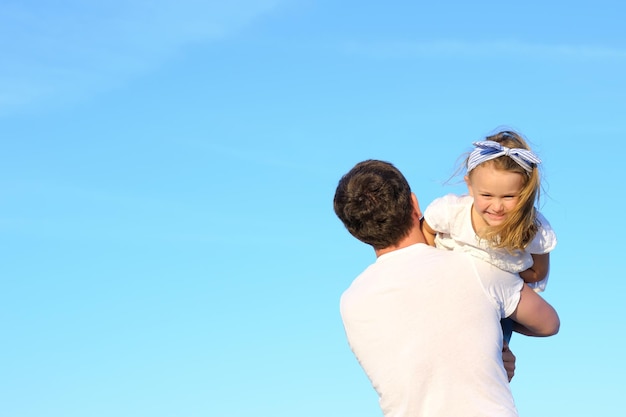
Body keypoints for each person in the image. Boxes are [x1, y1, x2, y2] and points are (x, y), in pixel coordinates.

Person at [334, 159, 559, 417]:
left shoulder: (351, 302)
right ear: (415, 204)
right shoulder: (474, 267)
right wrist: (492, 342)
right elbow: (548, 323)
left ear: (356, 231)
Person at [421, 130, 556, 342]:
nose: (497, 206)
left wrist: (497, 273)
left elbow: (538, 273)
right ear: (470, 186)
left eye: (509, 196)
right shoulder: (452, 211)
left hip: (502, 283)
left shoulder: (532, 229)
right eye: (487, 195)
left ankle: (499, 336)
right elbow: (427, 230)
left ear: (525, 193)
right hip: (452, 271)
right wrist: (434, 265)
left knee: (549, 324)